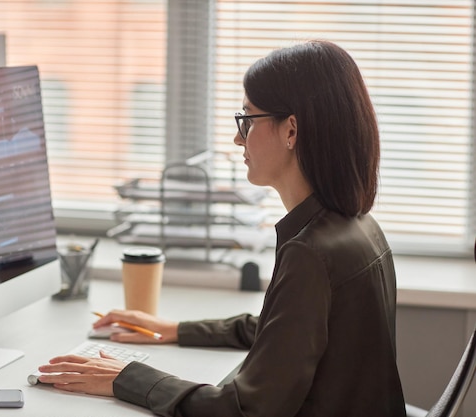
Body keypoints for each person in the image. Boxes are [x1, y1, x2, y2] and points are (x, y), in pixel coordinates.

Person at [37, 39, 407, 417]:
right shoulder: (358, 228)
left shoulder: (311, 253)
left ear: (290, 130)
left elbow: (244, 410)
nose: (237, 137)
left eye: (247, 119)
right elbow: (282, 330)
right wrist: (175, 329)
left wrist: (125, 377)